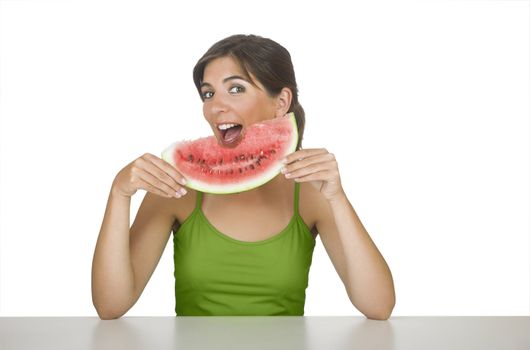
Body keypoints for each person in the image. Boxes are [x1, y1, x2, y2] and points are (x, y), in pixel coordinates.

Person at [91, 34, 395, 320]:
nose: (215, 107)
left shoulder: (311, 193)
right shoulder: (175, 187)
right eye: (208, 93)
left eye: (235, 89)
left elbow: (379, 307)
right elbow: (111, 305)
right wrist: (119, 193)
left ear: (281, 102)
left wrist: (337, 198)